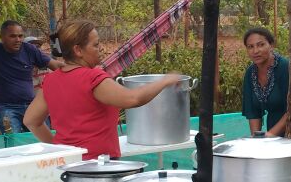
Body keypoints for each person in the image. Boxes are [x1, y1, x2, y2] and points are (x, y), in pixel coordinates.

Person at [23, 20, 181, 160]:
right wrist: (165, 80)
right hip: (100, 168)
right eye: (96, 45)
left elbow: (31, 121)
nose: (101, 48)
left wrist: (60, 149)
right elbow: (133, 99)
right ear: (78, 50)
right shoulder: (92, 78)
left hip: (67, 167)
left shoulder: (51, 80)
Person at [241, 27, 291, 145]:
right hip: (277, 134)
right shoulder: (250, 73)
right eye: (250, 47)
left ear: (271, 45)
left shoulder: (285, 67)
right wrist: (257, 141)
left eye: (261, 45)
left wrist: (270, 135)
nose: (256, 51)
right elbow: (253, 112)